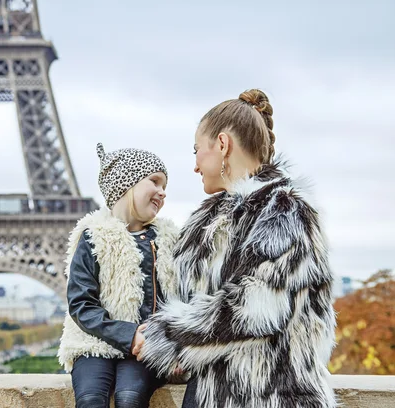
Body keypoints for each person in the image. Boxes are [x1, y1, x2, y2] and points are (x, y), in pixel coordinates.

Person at [135, 90, 336, 408]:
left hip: (273, 397)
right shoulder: (207, 223)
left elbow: (255, 306)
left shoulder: (285, 209)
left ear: (223, 144)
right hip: (213, 393)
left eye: (197, 150)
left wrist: (169, 335)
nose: (195, 166)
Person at [58, 142, 179, 408]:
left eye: (165, 187)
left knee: (129, 397)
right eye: (155, 182)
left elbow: (181, 299)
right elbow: (81, 304)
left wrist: (176, 346)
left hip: (145, 347)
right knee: (90, 398)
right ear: (127, 184)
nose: (162, 193)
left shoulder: (169, 240)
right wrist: (128, 333)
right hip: (93, 342)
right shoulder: (92, 237)